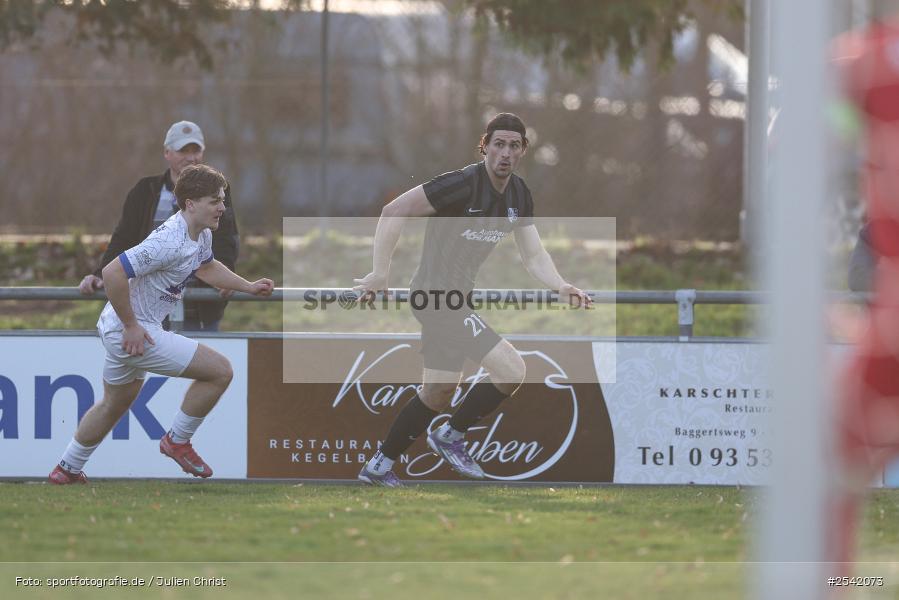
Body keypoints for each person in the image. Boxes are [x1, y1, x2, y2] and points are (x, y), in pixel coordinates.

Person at [353, 113, 592, 487]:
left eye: (514, 145)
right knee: (512, 370)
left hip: (457, 301)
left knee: (437, 393)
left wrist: (561, 285)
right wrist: (380, 274)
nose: (505, 153)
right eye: (498, 144)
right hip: (436, 298)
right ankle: (451, 435)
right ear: (485, 146)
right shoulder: (462, 184)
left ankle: (379, 465)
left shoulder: (518, 194)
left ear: (523, 151)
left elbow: (533, 256)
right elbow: (393, 211)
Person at [49, 165, 273, 484]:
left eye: (222, 199)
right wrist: (131, 326)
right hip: (132, 331)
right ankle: (177, 441)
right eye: (214, 200)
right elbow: (113, 273)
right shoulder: (168, 241)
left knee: (114, 404)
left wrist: (248, 286)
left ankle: (66, 469)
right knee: (220, 371)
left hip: (124, 327)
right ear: (190, 203)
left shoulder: (202, 234)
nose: (222, 207)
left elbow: (207, 267)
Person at [78, 120, 240, 331]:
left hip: (198, 308)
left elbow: (226, 240)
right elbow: (124, 238)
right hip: (148, 308)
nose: (191, 157)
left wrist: (225, 278)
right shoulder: (145, 191)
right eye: (183, 150)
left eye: (196, 150)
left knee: (203, 363)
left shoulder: (219, 191)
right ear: (167, 153)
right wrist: (100, 274)